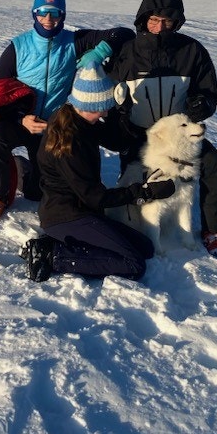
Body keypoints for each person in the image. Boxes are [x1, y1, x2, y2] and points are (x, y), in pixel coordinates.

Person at [0, 0, 134, 224]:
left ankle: (18, 167)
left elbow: (124, 34)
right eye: (42, 12)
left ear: (63, 15)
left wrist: (99, 53)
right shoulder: (18, 47)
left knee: (37, 192)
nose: (48, 19)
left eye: (55, 13)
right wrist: (20, 118)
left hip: (52, 125)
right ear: (34, 13)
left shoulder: (73, 41)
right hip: (18, 120)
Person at [108, 0, 217, 258]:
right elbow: (111, 92)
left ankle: (214, 230)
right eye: (154, 20)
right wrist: (121, 114)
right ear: (144, 19)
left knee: (215, 165)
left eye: (167, 20)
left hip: (180, 136)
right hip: (139, 134)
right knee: (139, 179)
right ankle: (130, 225)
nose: (160, 26)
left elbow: (209, 92)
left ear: (176, 21)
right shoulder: (128, 53)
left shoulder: (192, 51)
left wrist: (202, 105)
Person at [21, 63, 175, 282]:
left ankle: (69, 245)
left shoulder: (76, 118)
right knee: (133, 264)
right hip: (66, 216)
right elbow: (97, 197)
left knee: (145, 247)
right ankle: (52, 253)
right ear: (91, 105)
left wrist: (123, 112)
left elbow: (116, 141)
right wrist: (144, 192)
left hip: (85, 211)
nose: (105, 111)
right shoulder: (71, 143)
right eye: (104, 107)